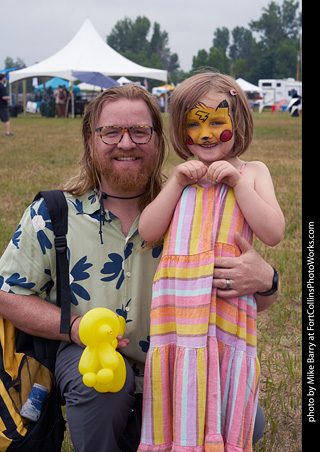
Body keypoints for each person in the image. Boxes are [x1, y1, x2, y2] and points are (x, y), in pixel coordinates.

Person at [0, 84, 279, 452]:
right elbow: (8, 296)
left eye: (140, 132)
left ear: (160, 139)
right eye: (111, 132)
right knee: (100, 386)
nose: (126, 143)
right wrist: (75, 328)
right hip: (91, 357)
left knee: (249, 421)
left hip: (179, 354)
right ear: (89, 140)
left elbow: (240, 294)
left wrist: (266, 281)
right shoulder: (53, 214)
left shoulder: (191, 205)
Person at [138, 72, 285, 452]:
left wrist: (238, 184)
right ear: (179, 129)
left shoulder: (252, 172)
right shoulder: (183, 178)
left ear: (238, 121)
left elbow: (273, 231)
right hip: (179, 314)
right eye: (193, 123)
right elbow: (148, 229)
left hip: (227, 312)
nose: (204, 134)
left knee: (224, 388)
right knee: (180, 390)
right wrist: (175, 183)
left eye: (216, 122)